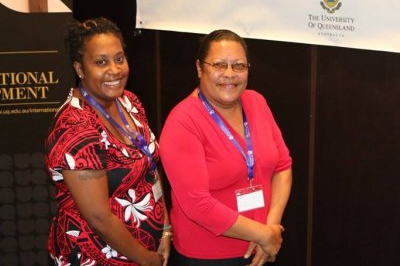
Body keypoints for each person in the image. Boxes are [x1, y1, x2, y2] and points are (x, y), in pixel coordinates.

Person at [159, 29, 292, 266]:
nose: (229, 74)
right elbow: (197, 205)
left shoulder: (256, 102)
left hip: (260, 249)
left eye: (239, 66)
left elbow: (283, 167)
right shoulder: (183, 121)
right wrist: (263, 235)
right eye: (219, 65)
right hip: (208, 257)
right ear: (200, 69)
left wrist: (270, 229)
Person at [45, 17, 171, 266]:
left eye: (119, 58)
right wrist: (146, 260)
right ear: (80, 69)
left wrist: (165, 227)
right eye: (101, 62)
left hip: (146, 248)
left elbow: (150, 168)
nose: (114, 69)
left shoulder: (129, 102)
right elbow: (98, 217)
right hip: (97, 256)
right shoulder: (75, 128)